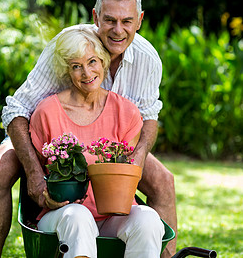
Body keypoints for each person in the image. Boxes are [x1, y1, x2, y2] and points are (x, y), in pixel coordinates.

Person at [0, 0, 177, 258]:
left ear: (139, 20)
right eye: (109, 20)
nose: (118, 30)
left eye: (126, 21)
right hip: (49, 132)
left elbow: (148, 117)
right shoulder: (69, 46)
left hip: (112, 143)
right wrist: (36, 175)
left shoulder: (148, 59)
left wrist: (137, 160)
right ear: (96, 16)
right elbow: (17, 110)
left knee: (163, 182)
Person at [30, 27, 164, 258]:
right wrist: (46, 196)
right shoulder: (47, 112)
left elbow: (126, 170)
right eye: (76, 66)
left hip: (114, 214)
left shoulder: (126, 112)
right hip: (63, 215)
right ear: (67, 71)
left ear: (102, 62)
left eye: (92, 61)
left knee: (148, 219)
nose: (86, 72)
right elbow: (40, 172)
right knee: (79, 217)